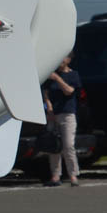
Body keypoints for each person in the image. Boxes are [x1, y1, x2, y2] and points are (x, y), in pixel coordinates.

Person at [43, 54, 81, 187]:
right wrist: (50, 108)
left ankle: (73, 174)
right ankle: (55, 175)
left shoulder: (73, 75)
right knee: (54, 145)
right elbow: (46, 93)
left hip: (68, 114)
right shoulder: (50, 76)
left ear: (69, 59)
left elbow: (69, 91)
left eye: (64, 58)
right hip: (54, 114)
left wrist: (58, 79)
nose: (61, 61)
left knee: (68, 145)